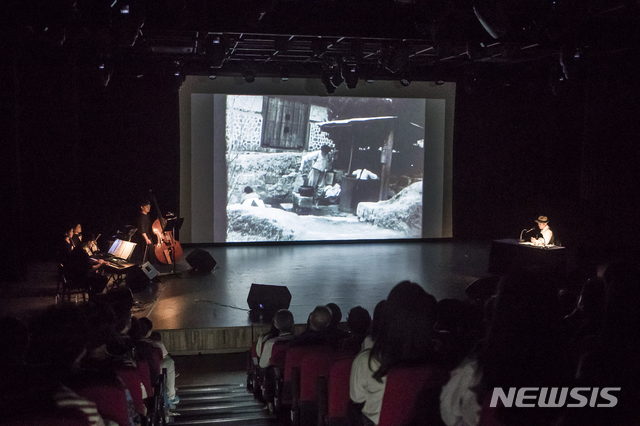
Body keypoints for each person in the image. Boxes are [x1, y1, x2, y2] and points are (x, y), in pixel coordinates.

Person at [134, 199, 156, 265]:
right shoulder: (142, 217)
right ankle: (149, 266)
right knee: (150, 252)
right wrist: (146, 239)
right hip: (144, 238)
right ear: (142, 207)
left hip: (149, 236)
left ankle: (151, 265)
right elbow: (142, 230)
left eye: (149, 207)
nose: (148, 208)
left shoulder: (147, 216)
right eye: (147, 207)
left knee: (151, 252)